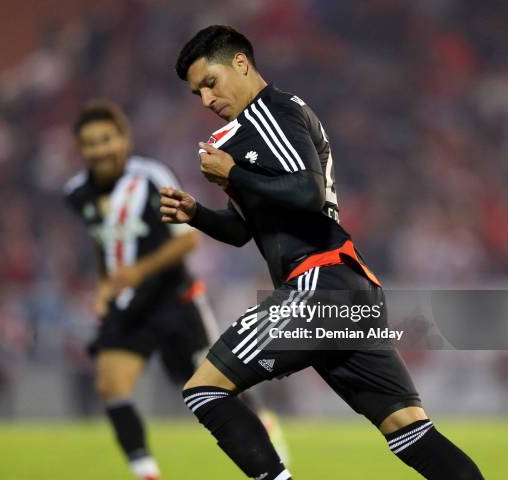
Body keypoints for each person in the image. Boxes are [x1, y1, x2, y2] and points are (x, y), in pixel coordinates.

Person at [160, 25, 484, 480]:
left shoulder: (268, 114)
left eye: (210, 83)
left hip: (318, 285)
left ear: (240, 63)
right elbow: (242, 231)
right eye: (197, 93)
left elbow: (309, 195)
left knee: (204, 390)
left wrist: (234, 171)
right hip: (348, 288)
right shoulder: (253, 131)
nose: (206, 100)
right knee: (409, 430)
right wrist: (196, 213)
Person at [65, 100, 290, 480]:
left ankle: (264, 428)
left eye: (107, 139)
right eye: (90, 143)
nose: (100, 149)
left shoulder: (151, 176)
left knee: (217, 384)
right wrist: (106, 285)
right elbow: (102, 243)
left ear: (124, 139)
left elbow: (186, 242)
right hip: (128, 305)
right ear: (80, 148)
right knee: (110, 383)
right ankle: (146, 472)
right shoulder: (77, 192)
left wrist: (136, 272)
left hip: (174, 299)